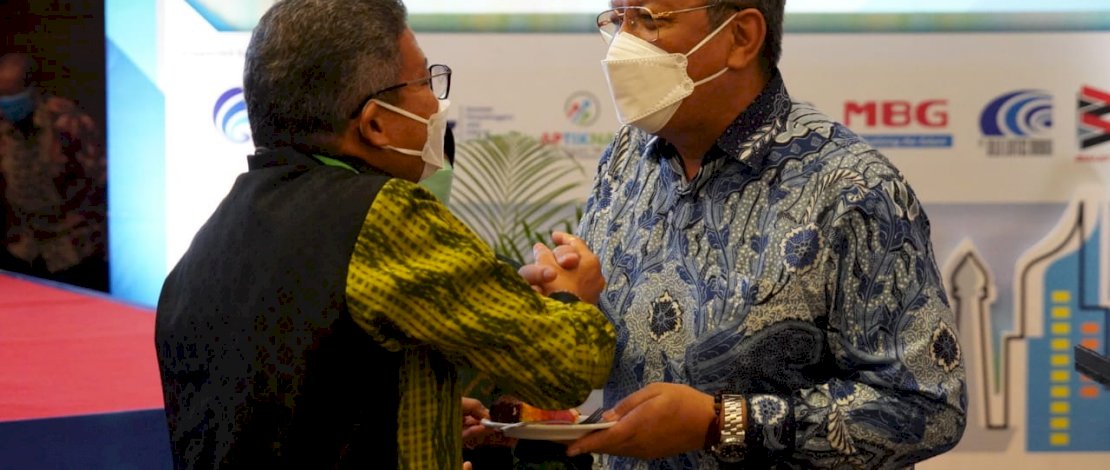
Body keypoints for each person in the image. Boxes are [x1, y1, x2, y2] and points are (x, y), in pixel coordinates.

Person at [153, 1, 615, 469]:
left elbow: (284, 408)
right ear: (375, 123)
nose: (437, 103)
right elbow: (567, 366)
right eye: (424, 82)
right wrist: (571, 297)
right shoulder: (385, 215)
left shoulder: (210, 243)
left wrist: (424, 416)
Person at [521, 1, 967, 468]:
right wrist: (567, 314)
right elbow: (638, 374)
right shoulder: (625, 158)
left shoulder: (854, 189)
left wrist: (722, 423)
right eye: (618, 18)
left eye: (648, 19)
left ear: (741, 38)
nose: (624, 42)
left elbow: (928, 408)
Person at [0, 51, 107, 291]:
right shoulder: (3, 125)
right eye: (1, 94)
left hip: (75, 249)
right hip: (26, 249)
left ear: (30, 88)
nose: (6, 102)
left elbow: (101, 179)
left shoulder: (65, 121)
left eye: (12, 93)